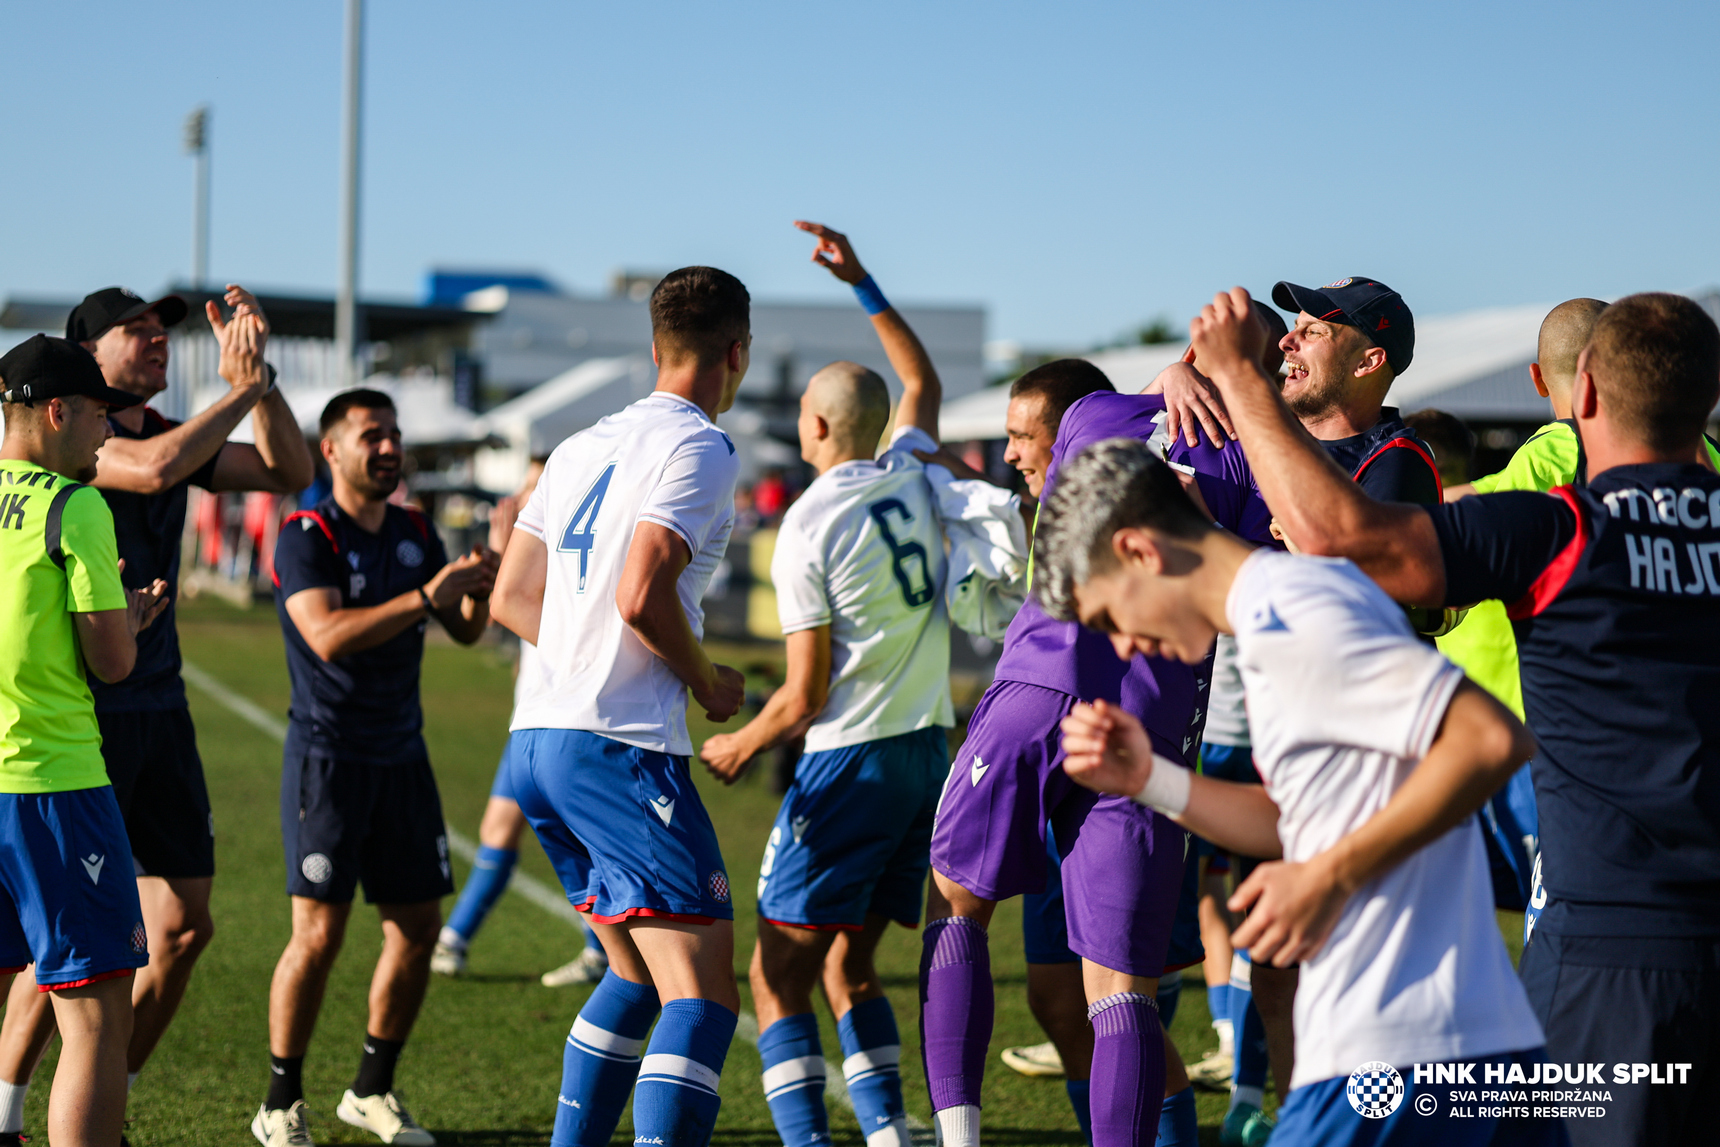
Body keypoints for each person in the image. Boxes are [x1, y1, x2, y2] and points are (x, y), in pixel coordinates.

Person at [1185, 286, 1720, 1147]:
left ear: (1581, 392)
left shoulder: (1559, 532)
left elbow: (1337, 540)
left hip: (1613, 955)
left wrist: (1240, 380)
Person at [1036, 436, 1563, 1147]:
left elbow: (1489, 739)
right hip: (1447, 1040)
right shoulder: (1271, 618)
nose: (1124, 646)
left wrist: (1326, 876)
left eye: (1106, 619)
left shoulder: (1289, 609)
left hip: (1393, 1052)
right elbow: (1298, 821)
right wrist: (1150, 780)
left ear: (1138, 551)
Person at [921, 334, 1278, 1147]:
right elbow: (1259, 587)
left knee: (956, 906)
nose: (1013, 455)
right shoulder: (1258, 461)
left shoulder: (1095, 411)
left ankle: (957, 1137)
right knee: (1121, 994)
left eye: (1019, 440)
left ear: (1198, 349)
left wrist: (1166, 382)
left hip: (1040, 684)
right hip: (1151, 729)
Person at [0, 286, 314, 1128]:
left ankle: (101, 1088)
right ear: (79, 362)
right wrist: (241, 391)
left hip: (157, 703)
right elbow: (157, 469)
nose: (155, 342)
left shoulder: (146, 435)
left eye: (161, 331)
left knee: (181, 924)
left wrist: (263, 379)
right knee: (61, 954)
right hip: (77, 722)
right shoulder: (76, 463)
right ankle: (19, 1101)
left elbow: (292, 471)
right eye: (133, 331)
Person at [693, 223, 958, 1147]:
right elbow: (919, 379)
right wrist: (865, 284)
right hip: (930, 753)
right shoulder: (914, 470)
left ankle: (809, 1140)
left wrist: (739, 741)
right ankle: (887, 1128)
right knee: (851, 961)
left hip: (850, 766)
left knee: (774, 977)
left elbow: (803, 696)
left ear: (813, 428)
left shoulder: (809, 525)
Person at [489, 266, 752, 1147]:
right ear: (737, 353)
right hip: (619, 744)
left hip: (540, 742)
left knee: (635, 975)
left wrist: (577, 661)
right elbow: (643, 593)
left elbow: (509, 597)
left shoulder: (576, 445)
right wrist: (709, 679)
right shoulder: (701, 446)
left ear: (653, 350)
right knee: (706, 993)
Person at [254, 389, 498, 1147]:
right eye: (372, 435)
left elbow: (461, 632)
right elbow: (325, 634)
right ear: (331, 450)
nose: (389, 447)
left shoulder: (414, 528)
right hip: (329, 758)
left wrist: (479, 582)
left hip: (404, 756)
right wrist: (427, 595)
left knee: (418, 926)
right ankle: (280, 1102)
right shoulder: (306, 531)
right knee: (318, 936)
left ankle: (370, 1088)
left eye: (394, 434)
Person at [0, 335, 170, 1147]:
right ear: (57, 411)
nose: (110, 434)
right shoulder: (78, 507)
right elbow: (111, 662)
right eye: (102, 415)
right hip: (51, 782)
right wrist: (130, 620)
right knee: (96, 1014)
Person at [1432, 300, 1609, 928]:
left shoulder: (1559, 448)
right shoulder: (1701, 454)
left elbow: (1464, 520)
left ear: (1538, 379)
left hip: (1564, 743)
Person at [430, 458, 611, 988]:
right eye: (526, 485)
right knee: (499, 830)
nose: (527, 495)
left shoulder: (578, 552)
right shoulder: (538, 546)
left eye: (537, 486)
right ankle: (456, 939)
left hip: (569, 723)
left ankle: (602, 949)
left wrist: (508, 554)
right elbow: (488, 621)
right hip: (530, 722)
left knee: (577, 841)